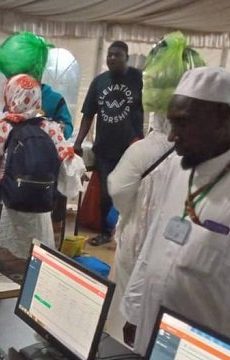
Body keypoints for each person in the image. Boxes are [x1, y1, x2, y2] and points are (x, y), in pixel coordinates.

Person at [121, 67, 230, 357]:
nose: (173, 136)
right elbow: (154, 245)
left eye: (184, 124)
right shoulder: (178, 166)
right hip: (151, 332)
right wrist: (135, 311)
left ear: (224, 119)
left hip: (206, 353)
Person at [109, 37, 204, 305]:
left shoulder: (143, 150)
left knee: (131, 306)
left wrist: (130, 212)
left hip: (138, 241)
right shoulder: (207, 154)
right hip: (182, 254)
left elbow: (119, 189)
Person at [0, 74, 81, 258]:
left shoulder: (2, 127)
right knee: (34, 258)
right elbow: (71, 172)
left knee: (5, 260)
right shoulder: (50, 127)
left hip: (7, 207)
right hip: (40, 210)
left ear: (9, 95)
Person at [73, 41, 144, 246]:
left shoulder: (138, 78)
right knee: (106, 192)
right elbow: (88, 114)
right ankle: (106, 232)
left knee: (129, 192)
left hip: (131, 148)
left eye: (118, 55)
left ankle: (128, 234)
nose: (112, 58)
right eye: (110, 55)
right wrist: (78, 142)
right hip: (105, 148)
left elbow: (151, 106)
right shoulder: (99, 82)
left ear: (126, 58)